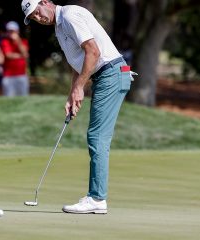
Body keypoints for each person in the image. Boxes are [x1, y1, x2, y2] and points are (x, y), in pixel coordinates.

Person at [22, 0, 135, 214]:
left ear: (46, 2)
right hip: (107, 75)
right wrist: (72, 93)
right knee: (96, 136)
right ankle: (96, 197)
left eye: (37, 12)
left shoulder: (71, 15)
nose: (38, 18)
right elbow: (79, 60)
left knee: (97, 137)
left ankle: (97, 199)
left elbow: (93, 52)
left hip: (111, 74)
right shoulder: (60, 27)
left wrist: (80, 87)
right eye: (33, 17)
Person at [0, 21, 29, 97]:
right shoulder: (5, 42)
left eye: (13, 31)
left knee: (23, 98)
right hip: (8, 76)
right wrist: (21, 56)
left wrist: (18, 41)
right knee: (9, 99)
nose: (11, 33)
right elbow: (8, 55)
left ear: (18, 31)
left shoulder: (23, 41)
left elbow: (25, 54)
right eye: (9, 31)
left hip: (22, 75)